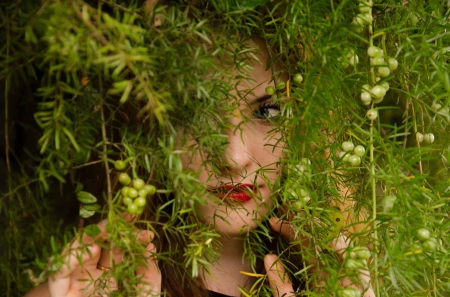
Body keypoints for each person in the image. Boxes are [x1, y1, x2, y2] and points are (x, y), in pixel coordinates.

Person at [25, 2, 375, 297]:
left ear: (308, 123)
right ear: (148, 126)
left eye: (267, 111)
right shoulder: (89, 285)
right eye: (194, 115)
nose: (232, 157)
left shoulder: (353, 274)